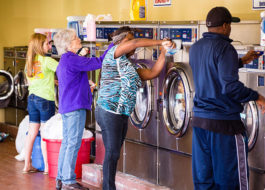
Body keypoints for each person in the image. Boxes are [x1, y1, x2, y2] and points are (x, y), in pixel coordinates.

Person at [189, 6, 265, 190]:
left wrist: (240, 61)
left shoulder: (196, 48)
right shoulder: (225, 48)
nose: (230, 28)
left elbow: (211, 72)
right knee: (231, 182)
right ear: (225, 26)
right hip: (224, 126)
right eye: (230, 25)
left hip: (200, 123)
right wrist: (256, 96)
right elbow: (230, 87)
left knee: (205, 180)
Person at [95, 26, 174, 190]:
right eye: (129, 40)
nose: (132, 43)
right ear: (120, 42)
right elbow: (136, 43)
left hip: (121, 113)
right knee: (112, 153)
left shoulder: (128, 65)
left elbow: (152, 73)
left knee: (114, 152)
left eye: (132, 40)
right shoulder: (113, 54)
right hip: (109, 111)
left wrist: (163, 52)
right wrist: (161, 41)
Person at [53, 28, 114, 190]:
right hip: (74, 107)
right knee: (72, 144)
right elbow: (99, 62)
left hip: (68, 107)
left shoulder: (66, 59)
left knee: (67, 143)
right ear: (68, 45)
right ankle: (68, 181)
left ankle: (61, 179)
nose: (79, 39)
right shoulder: (72, 59)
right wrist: (113, 44)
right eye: (75, 38)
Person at [23, 33, 58, 174]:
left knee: (32, 133)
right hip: (45, 100)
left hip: (32, 99)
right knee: (45, 133)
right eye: (47, 44)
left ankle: (27, 165)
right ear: (40, 46)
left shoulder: (30, 63)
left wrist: (52, 81)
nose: (49, 46)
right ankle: (47, 168)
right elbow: (65, 70)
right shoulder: (47, 60)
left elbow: (35, 80)